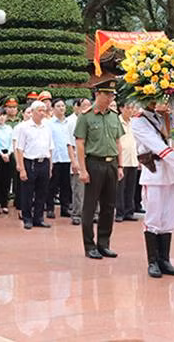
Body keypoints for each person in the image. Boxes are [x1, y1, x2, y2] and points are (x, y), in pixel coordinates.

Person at [131, 100, 174, 277]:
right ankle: (153, 262)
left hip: (170, 174)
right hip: (154, 172)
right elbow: (156, 144)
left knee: (169, 217)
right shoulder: (138, 120)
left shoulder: (163, 117)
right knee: (153, 217)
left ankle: (165, 260)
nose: (158, 102)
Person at [75, 79, 125, 260]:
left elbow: (118, 142)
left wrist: (120, 165)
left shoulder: (113, 116)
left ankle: (104, 244)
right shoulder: (86, 116)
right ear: (98, 94)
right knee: (90, 206)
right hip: (94, 164)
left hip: (111, 164)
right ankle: (89, 245)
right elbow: (80, 144)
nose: (111, 98)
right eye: (108, 94)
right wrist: (82, 169)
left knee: (109, 206)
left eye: (112, 95)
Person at [15, 100, 54, 230]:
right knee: (27, 192)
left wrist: (50, 167)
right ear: (32, 112)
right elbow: (19, 149)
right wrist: (21, 168)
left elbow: (50, 148)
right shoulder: (24, 127)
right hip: (30, 162)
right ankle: (27, 218)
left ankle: (39, 218)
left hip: (44, 162)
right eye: (40, 110)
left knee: (42, 192)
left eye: (44, 110)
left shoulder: (47, 127)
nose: (43, 113)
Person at [67, 97, 91, 226]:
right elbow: (70, 144)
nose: (87, 107)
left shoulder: (93, 119)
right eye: (84, 105)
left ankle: (94, 214)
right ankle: (77, 214)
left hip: (92, 159)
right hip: (78, 158)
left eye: (89, 105)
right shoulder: (72, 122)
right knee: (79, 190)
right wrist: (74, 161)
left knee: (93, 189)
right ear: (78, 107)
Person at [47, 98, 73, 219]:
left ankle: (65, 208)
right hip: (55, 158)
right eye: (58, 106)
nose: (61, 108)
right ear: (52, 108)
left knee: (65, 185)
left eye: (63, 106)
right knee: (52, 185)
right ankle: (50, 208)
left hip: (67, 158)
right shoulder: (49, 124)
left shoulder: (69, 123)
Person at [116, 100, 140, 222]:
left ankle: (129, 211)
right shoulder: (117, 122)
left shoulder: (134, 123)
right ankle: (119, 212)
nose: (130, 110)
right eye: (127, 108)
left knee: (131, 187)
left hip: (133, 159)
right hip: (122, 159)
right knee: (120, 187)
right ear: (121, 109)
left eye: (132, 108)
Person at [0, 107, 14, 214]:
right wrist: (0, 153)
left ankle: (4, 203)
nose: (1, 117)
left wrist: (8, 153)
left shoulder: (9, 128)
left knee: (6, 180)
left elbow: (12, 142)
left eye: (3, 115)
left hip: (8, 155)